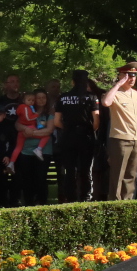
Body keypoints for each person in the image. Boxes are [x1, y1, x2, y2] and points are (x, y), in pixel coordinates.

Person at [51, 72, 101, 202]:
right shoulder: (91, 97)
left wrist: (68, 128)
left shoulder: (62, 98)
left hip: (68, 136)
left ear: (73, 82)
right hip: (86, 136)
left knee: (69, 170)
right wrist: (90, 130)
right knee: (85, 169)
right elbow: (96, 120)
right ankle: (85, 198)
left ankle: (70, 198)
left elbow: (56, 122)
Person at [99, 63, 137, 201]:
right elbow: (106, 102)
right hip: (120, 139)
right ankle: (114, 202)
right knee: (117, 174)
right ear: (120, 76)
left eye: (134, 76)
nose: (131, 79)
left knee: (131, 174)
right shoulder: (115, 94)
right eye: (127, 76)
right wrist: (118, 84)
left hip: (136, 139)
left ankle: (127, 202)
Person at [15, 91, 56, 206]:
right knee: (27, 179)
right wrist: (24, 128)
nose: (42, 100)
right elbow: (17, 125)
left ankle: (41, 202)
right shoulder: (26, 111)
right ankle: (28, 203)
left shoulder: (49, 114)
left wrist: (30, 133)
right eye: (39, 98)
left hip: (43, 151)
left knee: (41, 178)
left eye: (44, 98)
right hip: (26, 151)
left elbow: (49, 130)